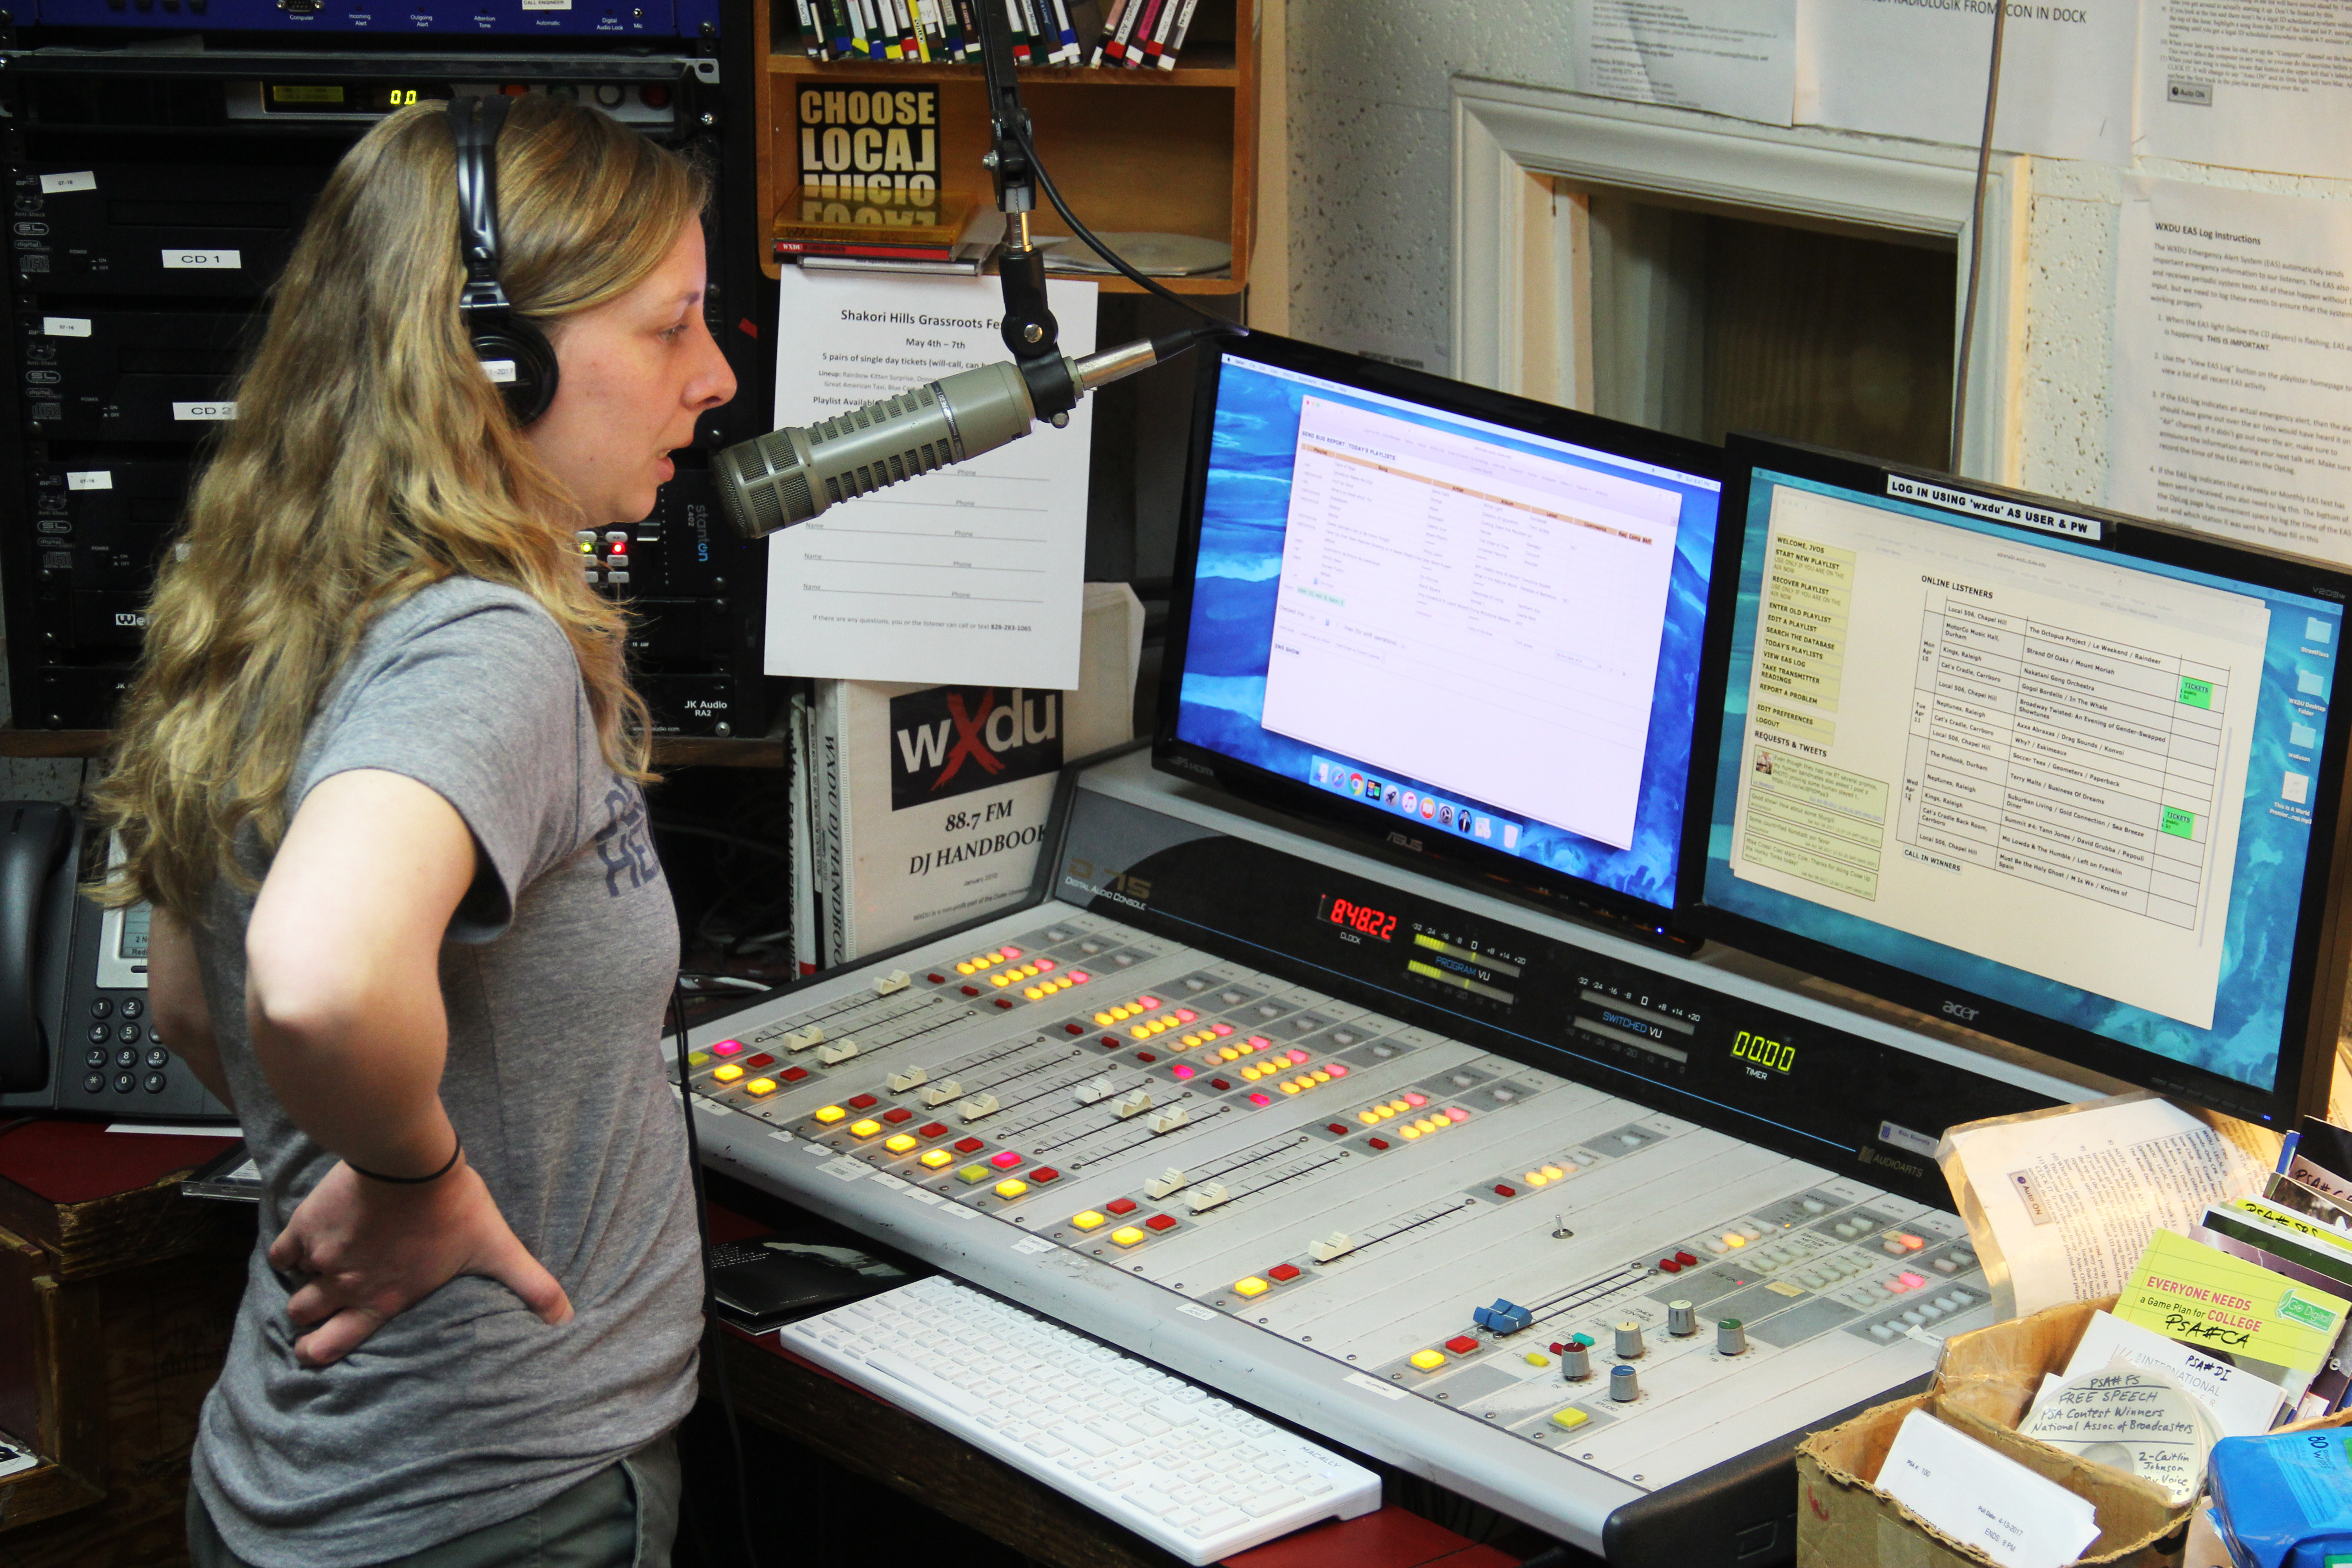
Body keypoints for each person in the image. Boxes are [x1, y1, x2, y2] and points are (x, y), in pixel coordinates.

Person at [89, 91, 737, 1567]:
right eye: (669, 326)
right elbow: (312, 978)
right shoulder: (480, 647)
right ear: (492, 360)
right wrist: (419, 1183)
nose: (713, 377)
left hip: (286, 1473)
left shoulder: (261, 599)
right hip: (497, 1505)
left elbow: (195, 1001)